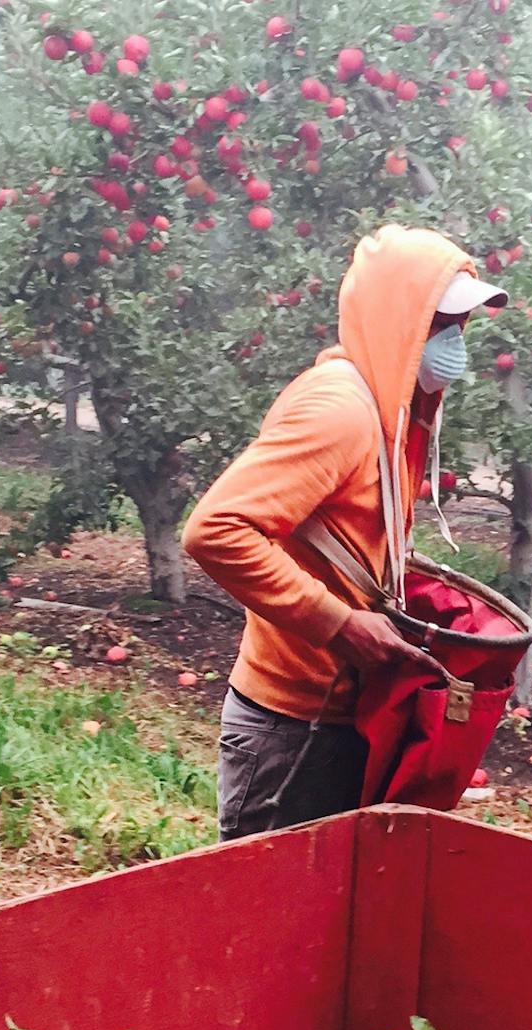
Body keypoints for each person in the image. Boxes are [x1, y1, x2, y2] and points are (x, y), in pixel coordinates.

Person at [183, 225, 506, 840]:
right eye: (441, 325)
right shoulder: (340, 411)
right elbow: (215, 530)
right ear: (398, 322)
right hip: (292, 726)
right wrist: (340, 623)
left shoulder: (391, 414)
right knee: (271, 918)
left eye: (462, 328)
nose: (455, 345)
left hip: (337, 713)